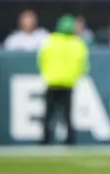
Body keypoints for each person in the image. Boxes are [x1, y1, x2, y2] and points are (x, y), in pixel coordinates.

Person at [37, 15, 89, 145]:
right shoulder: (78, 43)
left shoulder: (50, 41)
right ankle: (70, 141)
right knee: (67, 116)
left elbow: (41, 59)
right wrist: (73, 75)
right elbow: (83, 66)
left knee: (48, 114)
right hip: (68, 83)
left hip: (52, 81)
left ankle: (45, 140)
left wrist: (47, 74)